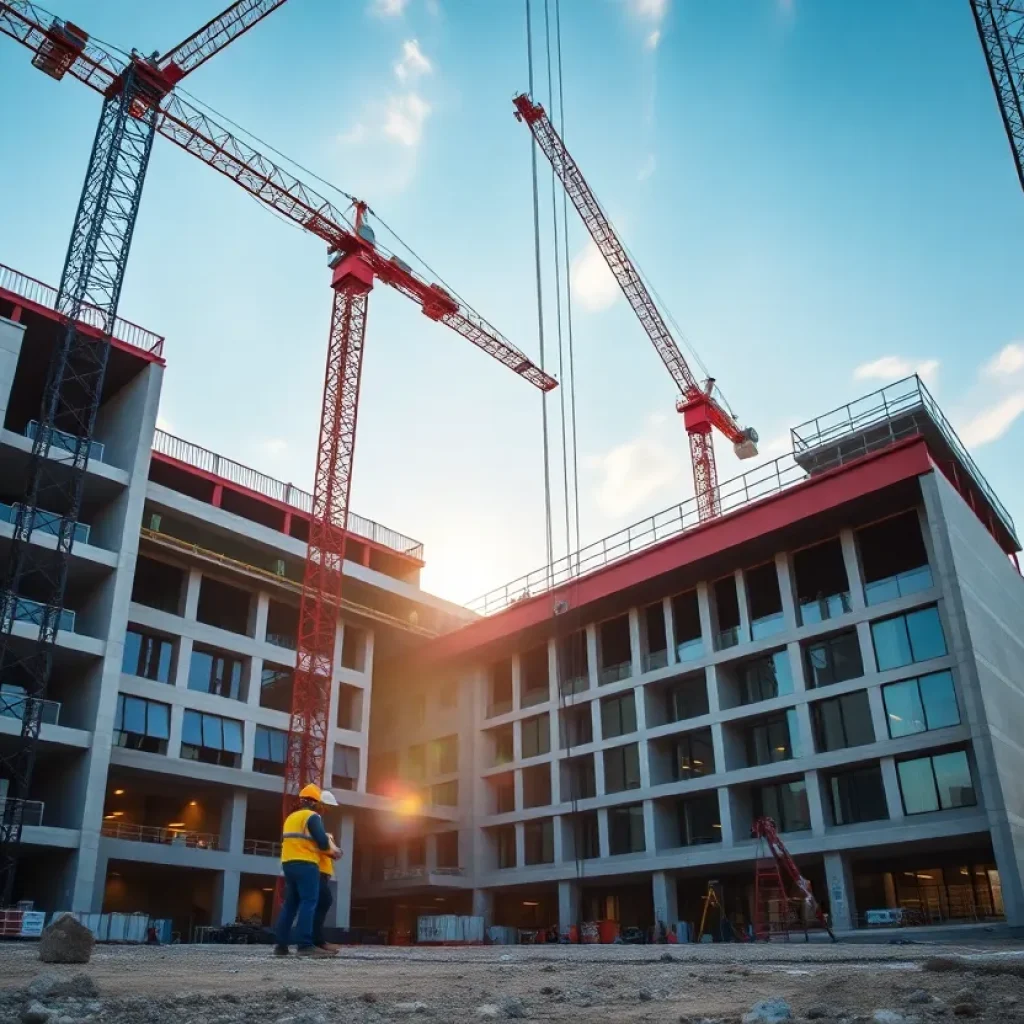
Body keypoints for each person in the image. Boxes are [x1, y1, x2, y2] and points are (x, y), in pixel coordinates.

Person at [273, 783, 335, 958]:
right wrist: (331, 848)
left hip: (288, 863)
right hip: (306, 864)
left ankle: (281, 946)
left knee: (290, 905)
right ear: (315, 802)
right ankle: (305, 945)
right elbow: (322, 841)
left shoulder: (291, 818)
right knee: (309, 902)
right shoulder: (312, 817)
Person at [313, 790, 342, 952]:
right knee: (323, 901)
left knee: (320, 902)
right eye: (327, 806)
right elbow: (323, 847)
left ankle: (316, 940)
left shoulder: (319, 824)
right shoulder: (314, 821)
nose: (328, 810)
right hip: (316, 871)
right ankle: (316, 940)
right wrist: (333, 851)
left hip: (321, 872)